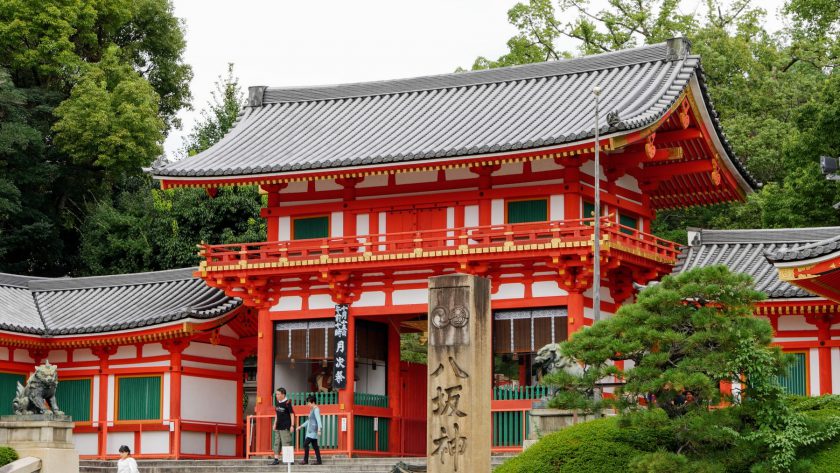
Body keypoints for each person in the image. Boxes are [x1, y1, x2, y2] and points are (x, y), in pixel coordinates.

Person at [270, 387, 295, 466]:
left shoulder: (287, 403)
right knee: (277, 443)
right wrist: (274, 424)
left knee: (286, 442)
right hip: (278, 426)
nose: (276, 395)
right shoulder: (277, 403)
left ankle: (288, 460)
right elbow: (277, 414)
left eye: (278, 394)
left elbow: (292, 414)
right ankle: (276, 459)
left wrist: (292, 425)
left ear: (283, 395)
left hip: (285, 426)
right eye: (276, 394)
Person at [295, 395, 323, 465]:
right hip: (311, 431)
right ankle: (319, 461)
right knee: (315, 447)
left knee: (305, 444)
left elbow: (319, 420)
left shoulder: (316, 409)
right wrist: (300, 426)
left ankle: (305, 460)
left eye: (308, 403)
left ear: (313, 402)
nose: (308, 404)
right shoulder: (312, 410)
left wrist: (319, 429)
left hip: (313, 431)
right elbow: (308, 421)